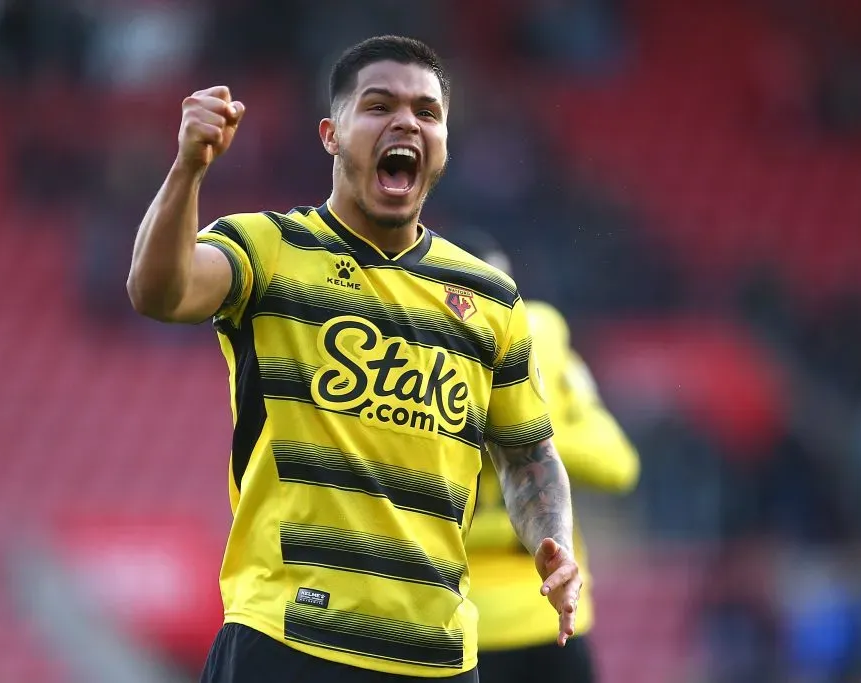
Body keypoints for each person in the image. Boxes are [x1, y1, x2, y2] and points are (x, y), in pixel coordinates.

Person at [126, 36, 582, 683]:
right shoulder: (269, 246)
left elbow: (530, 452)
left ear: (445, 143)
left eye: (427, 112)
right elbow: (157, 290)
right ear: (331, 135)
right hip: (289, 638)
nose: (406, 122)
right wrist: (188, 168)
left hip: (438, 655)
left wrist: (552, 540)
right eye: (379, 106)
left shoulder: (490, 297)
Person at [455, 230, 640, 683]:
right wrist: (529, 429)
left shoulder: (417, 354)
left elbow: (619, 465)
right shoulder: (541, 342)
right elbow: (616, 465)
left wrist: (517, 432)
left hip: (467, 622)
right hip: (543, 615)